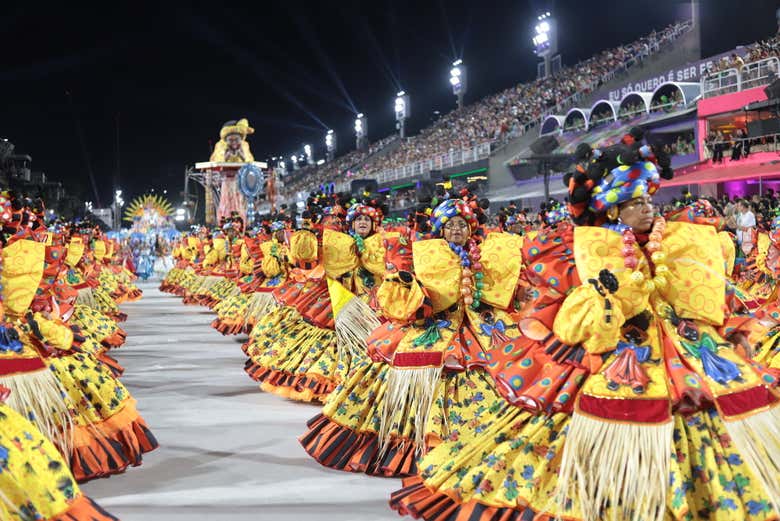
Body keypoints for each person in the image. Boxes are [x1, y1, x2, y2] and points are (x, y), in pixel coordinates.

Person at [391, 135, 780, 521]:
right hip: (613, 349)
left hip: (684, 351)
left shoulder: (677, 239)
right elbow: (570, 319)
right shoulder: (581, 250)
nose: (648, 209)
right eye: (635, 203)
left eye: (648, 199)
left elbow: (703, 296)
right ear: (613, 211)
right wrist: (605, 299)